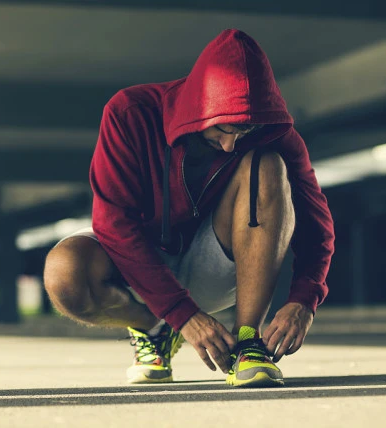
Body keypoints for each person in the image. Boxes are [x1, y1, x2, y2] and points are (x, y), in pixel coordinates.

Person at [43, 29, 335, 387]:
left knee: (269, 164)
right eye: (223, 130)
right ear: (199, 110)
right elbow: (113, 224)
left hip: (220, 260)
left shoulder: (275, 135)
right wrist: (181, 316)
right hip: (139, 267)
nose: (230, 146)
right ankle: (152, 328)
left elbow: (317, 223)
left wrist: (305, 299)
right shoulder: (130, 112)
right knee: (64, 274)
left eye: (243, 133)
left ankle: (248, 342)